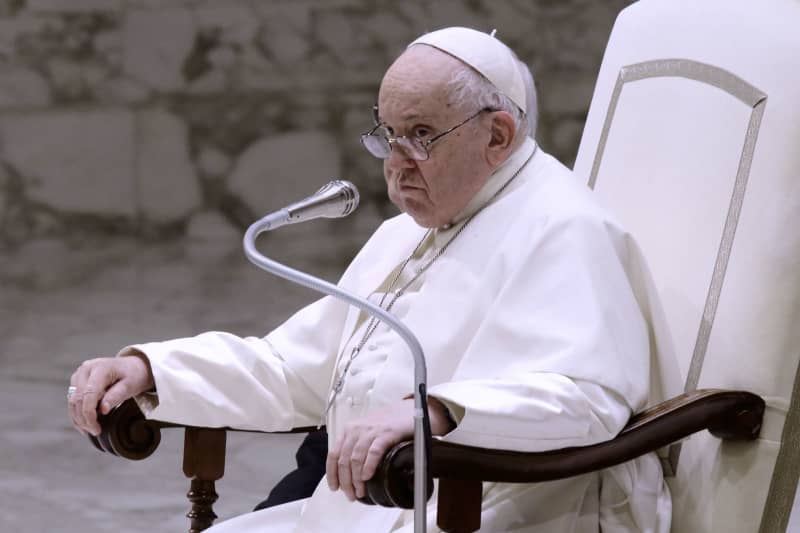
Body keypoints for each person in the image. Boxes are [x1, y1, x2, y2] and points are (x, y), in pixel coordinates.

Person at [68, 27, 672, 532]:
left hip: (480, 512)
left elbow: (586, 398)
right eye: (386, 134)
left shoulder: (567, 228)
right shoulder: (407, 232)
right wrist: (154, 370)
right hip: (360, 509)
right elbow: (295, 370)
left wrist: (436, 412)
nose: (395, 160)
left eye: (420, 136)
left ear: (497, 136)